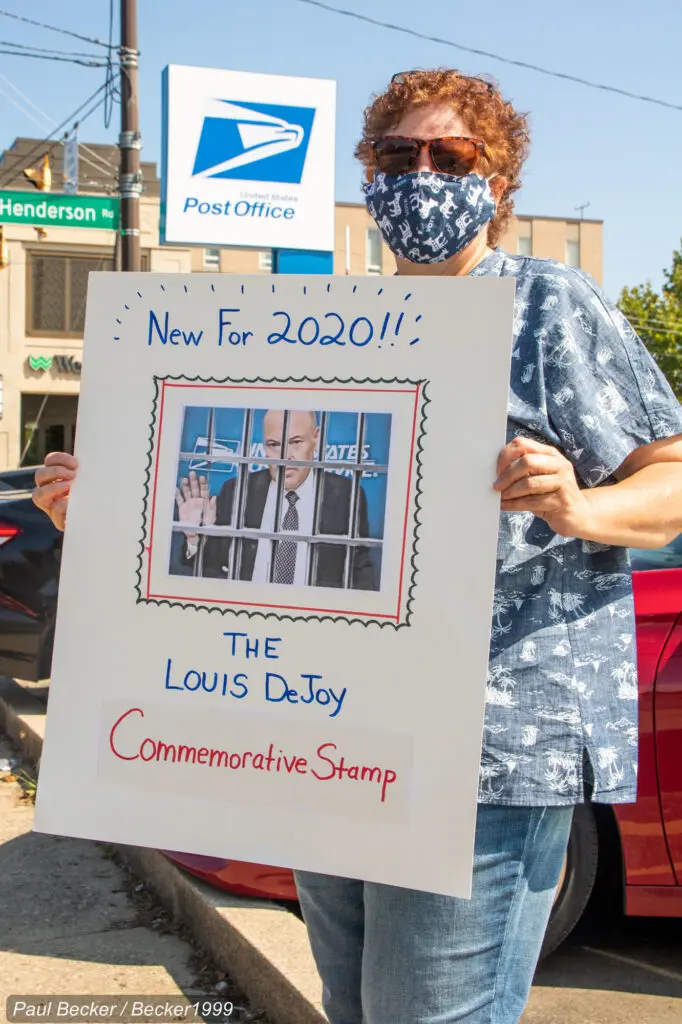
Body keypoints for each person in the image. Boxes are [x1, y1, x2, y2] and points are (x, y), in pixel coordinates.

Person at [32, 68, 682, 1024]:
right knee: (359, 1010)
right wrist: (101, 512)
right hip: (336, 741)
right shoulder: (339, 331)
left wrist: (580, 506)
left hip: (490, 755)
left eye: (451, 156)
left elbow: (670, 481)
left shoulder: (549, 306)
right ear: (368, 174)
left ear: (498, 183)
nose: (421, 173)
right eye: (396, 153)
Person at [174, 408, 377, 589]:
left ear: (316, 438)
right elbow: (208, 571)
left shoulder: (346, 494)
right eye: (274, 445)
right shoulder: (237, 490)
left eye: (296, 442)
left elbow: (359, 571)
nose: (285, 456)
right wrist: (195, 539)